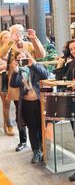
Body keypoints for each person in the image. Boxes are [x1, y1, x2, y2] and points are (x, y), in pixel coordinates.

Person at [0, 24, 46, 152]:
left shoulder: (29, 44)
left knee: (34, 115)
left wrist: (34, 39)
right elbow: (1, 53)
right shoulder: (9, 46)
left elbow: (41, 54)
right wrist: (10, 40)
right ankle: (23, 141)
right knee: (19, 113)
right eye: (15, 32)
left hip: (31, 84)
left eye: (20, 31)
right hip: (16, 83)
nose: (18, 34)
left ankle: (39, 144)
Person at [54, 38, 75, 182]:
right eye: (71, 49)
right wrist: (60, 65)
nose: (74, 51)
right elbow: (62, 81)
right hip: (73, 103)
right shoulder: (72, 62)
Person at [10, 51, 48, 163]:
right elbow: (13, 84)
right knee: (32, 128)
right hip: (26, 103)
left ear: (28, 58)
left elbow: (45, 75)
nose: (21, 59)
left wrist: (33, 64)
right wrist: (15, 71)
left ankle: (43, 149)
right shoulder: (18, 71)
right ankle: (36, 151)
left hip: (39, 102)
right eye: (19, 58)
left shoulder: (34, 67)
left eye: (23, 57)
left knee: (42, 127)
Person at [0, 30, 14, 136]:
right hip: (2, 78)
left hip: (12, 78)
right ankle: (9, 125)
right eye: (5, 37)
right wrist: (7, 66)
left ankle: (8, 125)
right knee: (6, 103)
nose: (7, 39)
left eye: (9, 37)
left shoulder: (13, 51)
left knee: (10, 103)